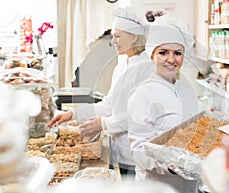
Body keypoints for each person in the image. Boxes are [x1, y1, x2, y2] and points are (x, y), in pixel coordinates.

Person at [48, 7, 153, 176]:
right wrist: (72, 115)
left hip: (140, 154)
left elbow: (141, 116)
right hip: (121, 151)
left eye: (117, 36)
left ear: (134, 37)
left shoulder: (147, 69)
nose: (113, 41)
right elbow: (110, 104)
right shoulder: (122, 66)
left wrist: (103, 124)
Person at [127, 15, 201, 193]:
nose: (171, 59)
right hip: (157, 184)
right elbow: (138, 150)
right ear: (152, 54)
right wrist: (167, 166)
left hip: (189, 184)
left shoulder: (186, 89)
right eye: (163, 52)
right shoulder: (143, 94)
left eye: (177, 53)